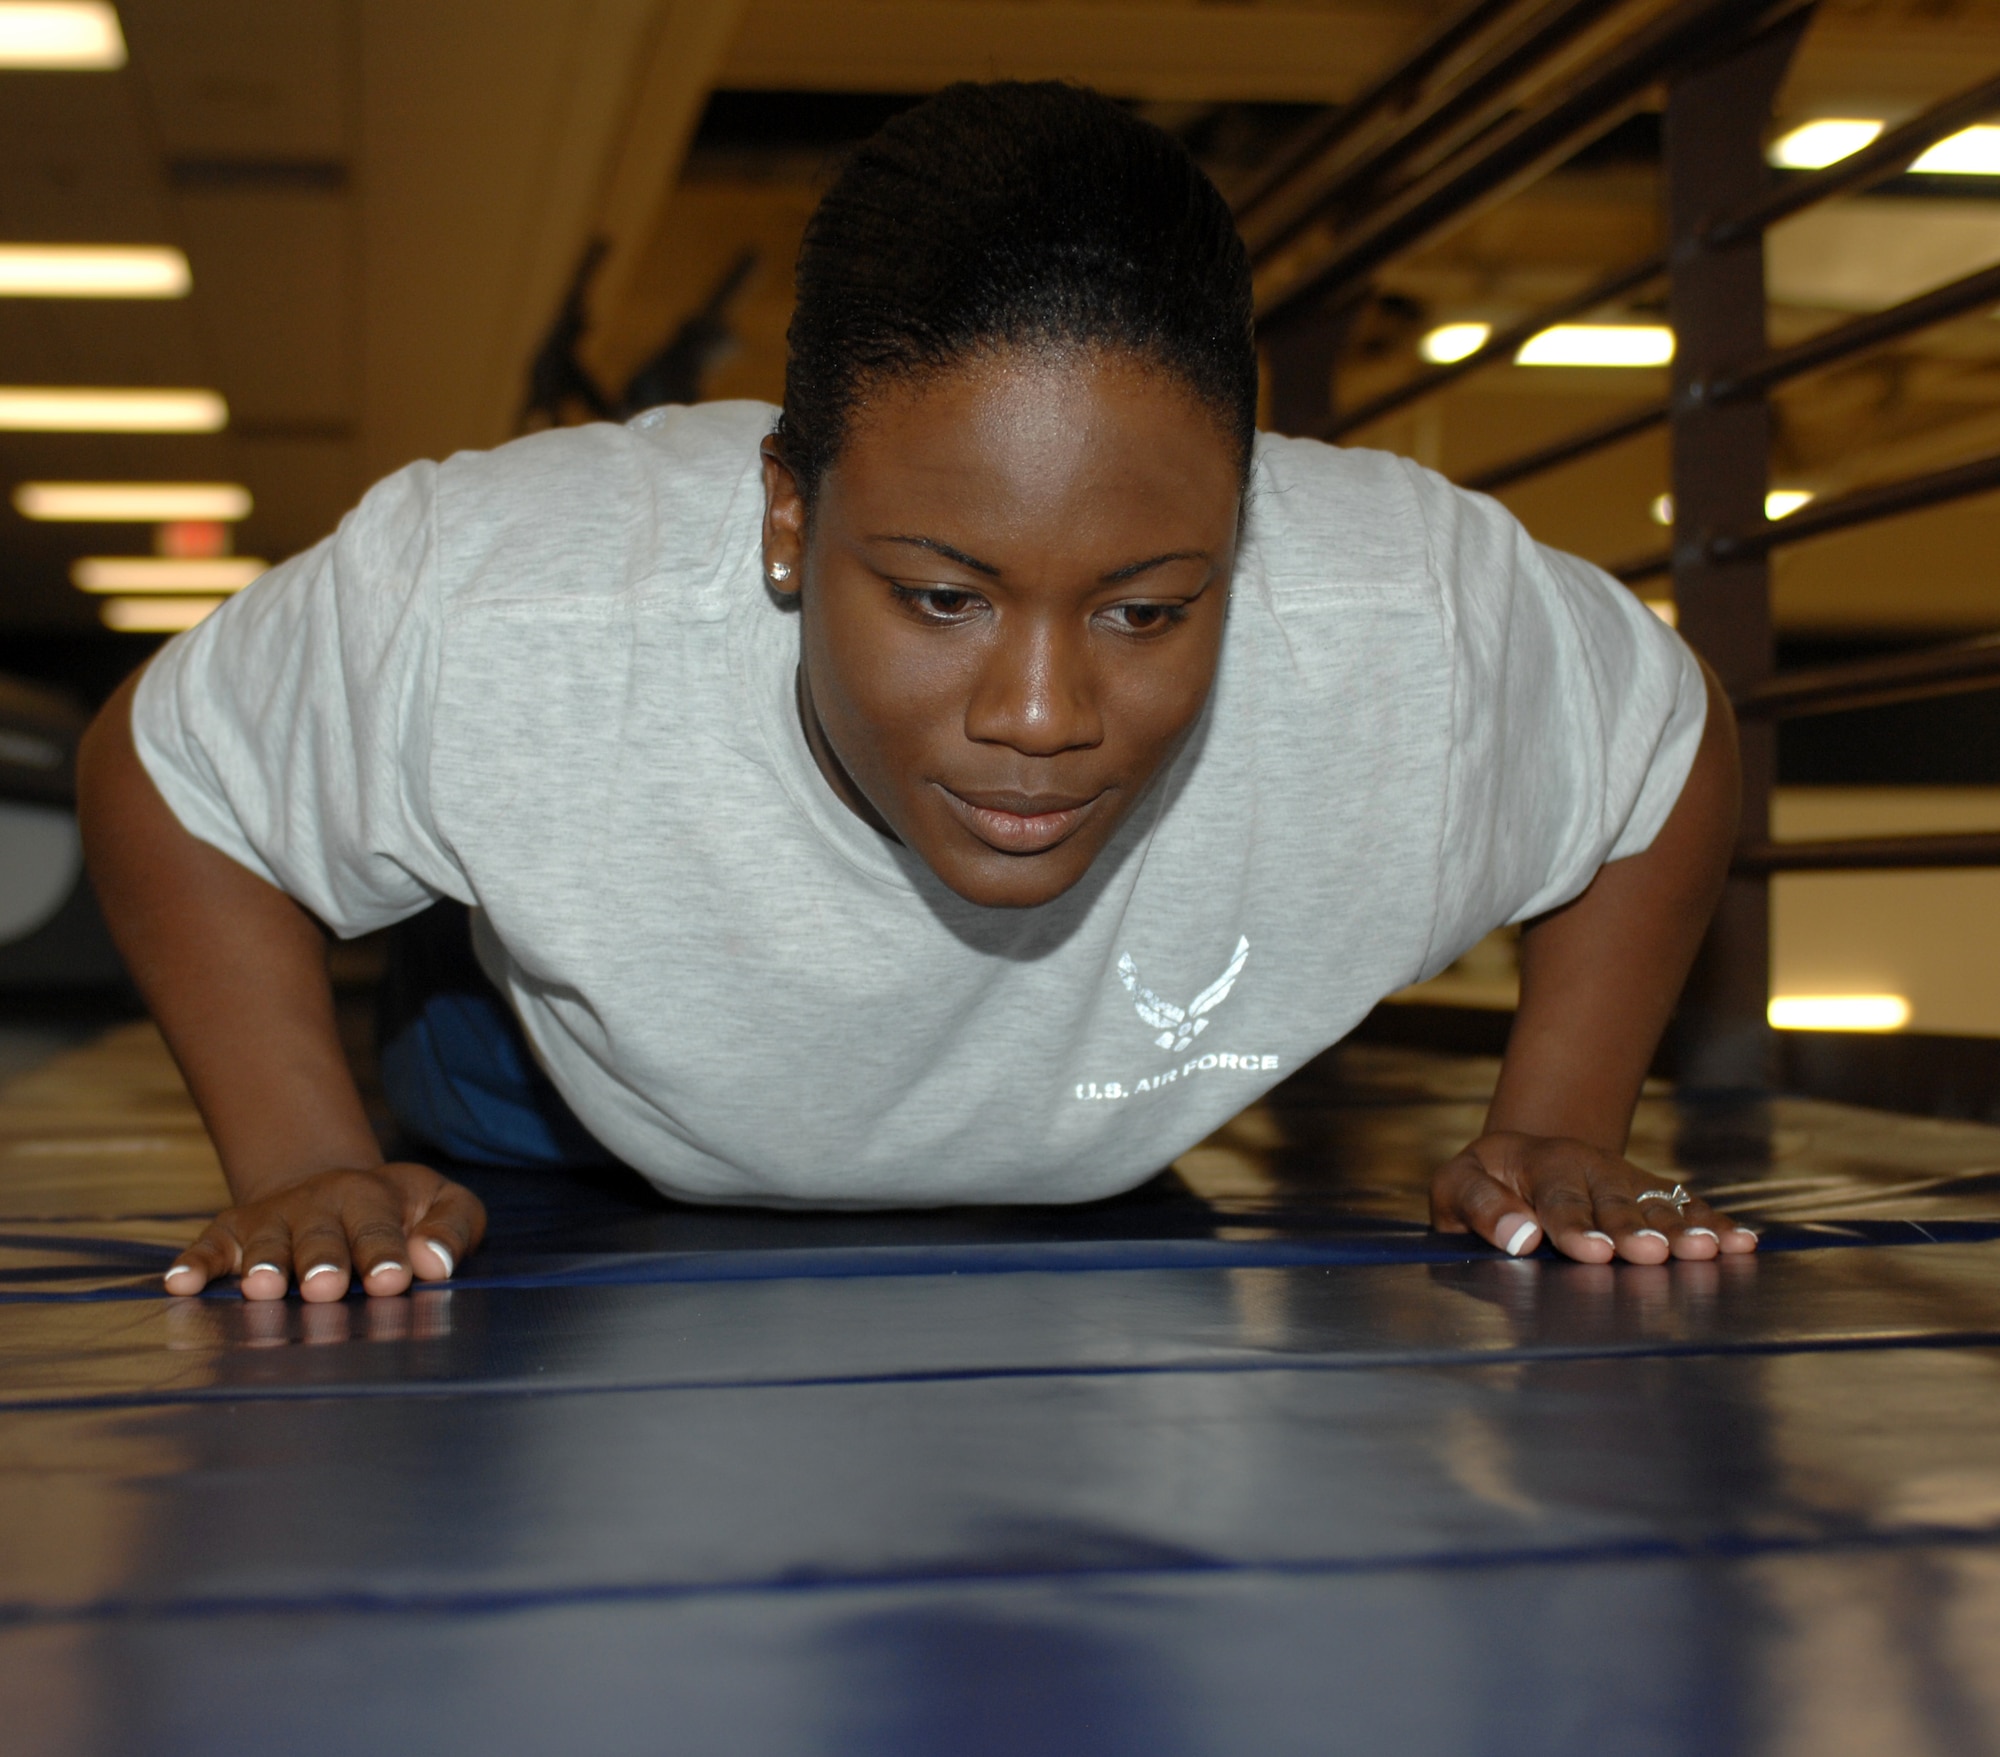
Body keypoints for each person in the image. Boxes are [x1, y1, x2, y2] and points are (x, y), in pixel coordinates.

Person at [77, 82, 1755, 1304]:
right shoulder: (511, 598)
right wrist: (305, 1162)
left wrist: (1560, 1119)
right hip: (572, 1091)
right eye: (945, 597)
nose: (1039, 711)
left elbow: (1660, 748)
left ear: (1249, 529)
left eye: (1151, 606)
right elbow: (170, 773)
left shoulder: (1410, 615)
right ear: (790, 517)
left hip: (1082, 1116)